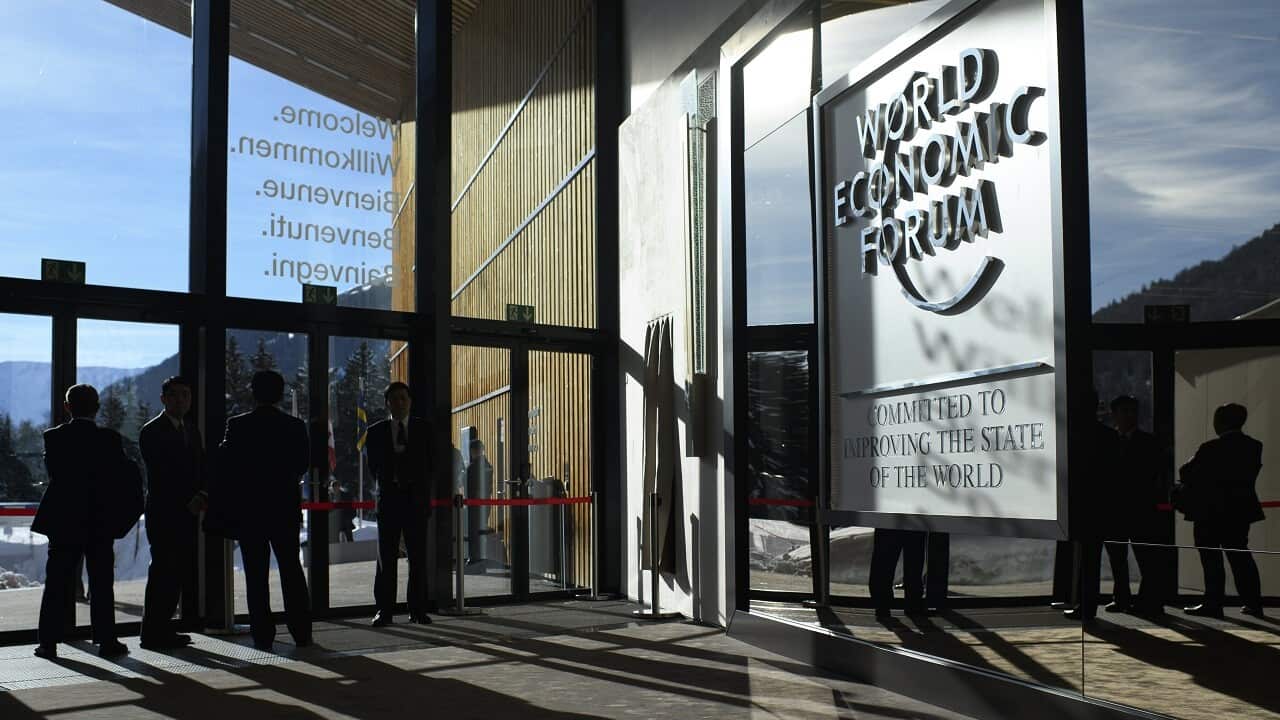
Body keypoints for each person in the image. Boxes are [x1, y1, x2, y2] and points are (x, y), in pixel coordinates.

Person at [32, 384, 143, 659]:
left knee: (57, 581)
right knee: (101, 582)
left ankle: (48, 642)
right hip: (99, 520)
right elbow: (122, 475)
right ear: (97, 408)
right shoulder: (109, 439)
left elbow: (56, 475)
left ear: (68, 407)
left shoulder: (54, 438)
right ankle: (106, 641)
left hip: (65, 521)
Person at [219, 370, 312, 649]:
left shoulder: (237, 425)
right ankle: (301, 632)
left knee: (256, 575)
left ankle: (263, 635)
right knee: (291, 571)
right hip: (284, 508)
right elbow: (301, 465)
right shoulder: (295, 426)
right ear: (281, 394)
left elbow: (228, 465)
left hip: (250, 511)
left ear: (253, 393)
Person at [1178, 403, 1264, 619]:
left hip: (1210, 512)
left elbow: (1187, 472)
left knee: (1211, 559)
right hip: (1239, 511)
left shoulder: (1210, 448)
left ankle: (1213, 602)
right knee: (1240, 556)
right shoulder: (1254, 446)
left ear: (1221, 422)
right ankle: (1253, 602)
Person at [139, 376, 207, 649]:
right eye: (176, 395)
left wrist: (202, 494)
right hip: (165, 511)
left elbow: (201, 466)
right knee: (162, 571)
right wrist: (187, 500)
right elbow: (161, 474)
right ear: (163, 399)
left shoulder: (191, 429)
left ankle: (164, 628)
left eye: (186, 395)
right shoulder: (152, 431)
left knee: (176, 572)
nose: (182, 400)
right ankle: (152, 632)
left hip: (189, 511)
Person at [365, 381, 433, 626]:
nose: (399, 403)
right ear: (387, 403)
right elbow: (373, 468)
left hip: (416, 503)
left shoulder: (425, 430)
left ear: (410, 401)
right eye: (394, 399)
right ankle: (384, 611)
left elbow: (432, 465)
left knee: (418, 559)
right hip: (389, 503)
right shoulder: (375, 432)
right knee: (386, 560)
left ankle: (417, 610)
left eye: (403, 398)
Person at [1104, 395, 1166, 615]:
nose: (1130, 415)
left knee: (1146, 559)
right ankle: (1122, 598)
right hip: (1118, 510)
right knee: (1118, 560)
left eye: (1132, 411)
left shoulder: (1149, 442)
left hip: (1139, 509)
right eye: (1125, 411)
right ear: (1115, 414)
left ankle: (1146, 600)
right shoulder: (1109, 442)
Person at [1065, 390, 1120, 621]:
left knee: (1086, 558)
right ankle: (1089, 607)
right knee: (1094, 558)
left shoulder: (1070, 435)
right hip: (1104, 504)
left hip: (1081, 505)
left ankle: (1084, 606)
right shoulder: (1109, 436)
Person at [869, 528, 927, 618]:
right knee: (914, 562)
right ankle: (913, 604)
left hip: (890, 521)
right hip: (914, 522)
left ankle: (882, 604)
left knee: (883, 562)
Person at [465, 439, 494, 572]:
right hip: (485, 502)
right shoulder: (488, 465)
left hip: (475, 503)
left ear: (473, 451)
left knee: (474, 531)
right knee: (481, 531)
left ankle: (475, 559)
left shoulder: (473, 467)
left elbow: (469, 486)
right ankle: (480, 559)